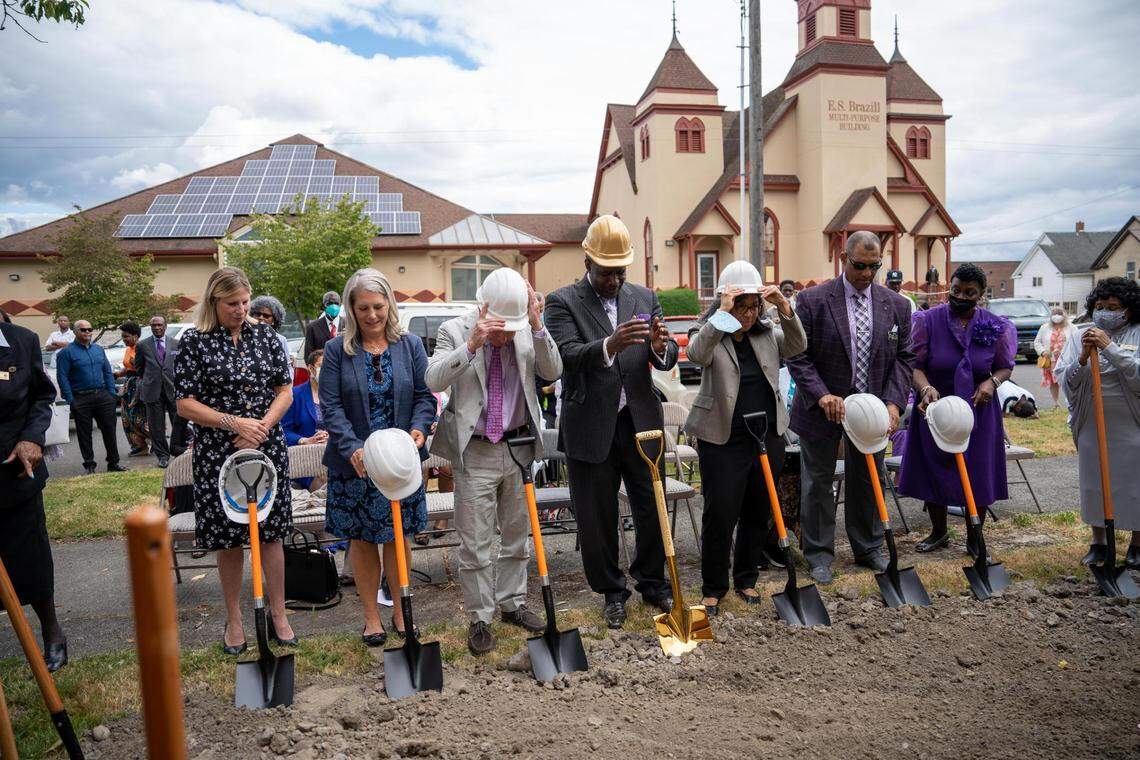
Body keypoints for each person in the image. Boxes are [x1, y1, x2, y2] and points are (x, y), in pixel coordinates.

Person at [544, 214, 679, 628]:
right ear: (588, 262)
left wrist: (660, 348)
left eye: (620, 272)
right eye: (606, 273)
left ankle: (653, 583)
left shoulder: (644, 295)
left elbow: (668, 353)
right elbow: (563, 355)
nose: (614, 281)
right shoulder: (562, 302)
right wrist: (608, 345)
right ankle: (612, 592)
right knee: (597, 515)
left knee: (652, 507)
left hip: (640, 421)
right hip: (591, 424)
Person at [426, 267, 563, 654]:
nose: (505, 336)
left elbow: (553, 371)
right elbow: (433, 379)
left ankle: (513, 603)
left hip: (518, 446)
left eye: (511, 328)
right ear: (483, 310)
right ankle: (480, 617)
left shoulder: (527, 328)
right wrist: (471, 346)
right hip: (476, 449)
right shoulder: (455, 330)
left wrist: (536, 326)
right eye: (500, 328)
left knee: (517, 534)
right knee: (476, 542)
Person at [174, 267, 297, 654]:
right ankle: (235, 620)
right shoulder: (194, 341)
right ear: (214, 301)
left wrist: (258, 427)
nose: (241, 309)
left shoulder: (267, 337)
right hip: (217, 452)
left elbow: (285, 390)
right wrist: (232, 423)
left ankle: (279, 614)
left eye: (245, 302)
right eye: (232, 303)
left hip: (266, 446)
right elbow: (184, 403)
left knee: (272, 534)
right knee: (228, 539)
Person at [785, 231, 915, 584]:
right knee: (818, 482)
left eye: (874, 266)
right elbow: (798, 354)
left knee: (869, 480)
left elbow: (904, 359)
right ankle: (819, 554)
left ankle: (868, 547)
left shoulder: (897, 306)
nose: (867, 274)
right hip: (822, 409)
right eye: (860, 265)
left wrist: (893, 403)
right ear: (843, 258)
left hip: (873, 411)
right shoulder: (812, 300)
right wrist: (822, 395)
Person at [320, 268, 436, 646]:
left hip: (400, 461)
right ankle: (371, 618)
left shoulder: (410, 345)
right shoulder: (339, 350)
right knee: (364, 541)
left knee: (399, 538)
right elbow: (332, 406)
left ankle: (402, 613)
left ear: (390, 305)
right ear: (352, 309)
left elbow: (424, 395)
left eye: (378, 307)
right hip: (355, 465)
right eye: (364, 308)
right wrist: (352, 447)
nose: (372, 315)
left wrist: (419, 428)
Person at [683, 261, 806, 614]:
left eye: (754, 306)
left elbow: (797, 345)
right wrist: (721, 315)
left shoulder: (766, 333)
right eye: (742, 306)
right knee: (720, 513)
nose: (749, 314)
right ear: (726, 301)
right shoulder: (708, 331)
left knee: (757, 510)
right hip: (723, 439)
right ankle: (713, 586)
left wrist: (785, 309)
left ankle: (747, 579)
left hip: (767, 436)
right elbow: (696, 354)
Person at [899, 264, 1017, 554]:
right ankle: (938, 531)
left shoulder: (995, 325)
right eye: (956, 290)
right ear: (948, 288)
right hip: (935, 407)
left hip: (979, 407)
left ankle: (974, 536)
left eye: (969, 292)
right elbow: (915, 365)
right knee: (935, 467)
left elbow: (1004, 367)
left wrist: (992, 382)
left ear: (980, 295)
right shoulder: (926, 321)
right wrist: (925, 389)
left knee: (978, 469)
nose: (961, 296)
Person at [1053, 277, 1140, 568]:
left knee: (1133, 482)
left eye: (1113, 307)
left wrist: (1109, 348)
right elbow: (1065, 379)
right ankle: (1099, 543)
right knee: (1094, 481)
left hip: (1130, 420)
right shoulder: (1080, 335)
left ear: (1128, 310)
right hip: (1092, 418)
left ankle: (1137, 545)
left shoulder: (1137, 333)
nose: (1104, 312)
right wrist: (1080, 359)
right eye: (1100, 306)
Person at [0, 319, 69, 671]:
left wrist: (32, 437)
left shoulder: (22, 340)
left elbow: (42, 395)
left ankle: (52, 631)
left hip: (15, 475)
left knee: (31, 557)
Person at [56, 319, 124, 475]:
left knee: (109, 430)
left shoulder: (98, 350)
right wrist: (70, 399)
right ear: (75, 332)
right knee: (84, 433)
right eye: (83, 330)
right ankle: (89, 465)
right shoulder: (66, 353)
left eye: (89, 329)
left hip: (103, 396)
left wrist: (112, 393)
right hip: (80, 398)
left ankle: (113, 463)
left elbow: (107, 372)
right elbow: (62, 377)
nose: (87, 332)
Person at [136, 315, 187, 468]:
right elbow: (139, 368)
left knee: (178, 423)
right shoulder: (142, 345)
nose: (157, 328)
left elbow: (181, 366)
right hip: (152, 390)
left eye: (159, 325)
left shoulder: (176, 343)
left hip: (173, 389)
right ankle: (162, 456)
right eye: (153, 326)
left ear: (165, 326)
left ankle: (178, 452)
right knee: (156, 426)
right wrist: (147, 381)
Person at [115, 321, 150, 456]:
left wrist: (135, 364)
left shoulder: (142, 347)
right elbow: (127, 367)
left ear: (136, 336)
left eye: (126, 336)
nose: (124, 339)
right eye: (123, 336)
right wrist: (118, 374)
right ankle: (139, 446)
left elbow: (145, 368)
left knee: (139, 416)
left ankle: (157, 440)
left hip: (139, 386)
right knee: (126, 417)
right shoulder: (128, 349)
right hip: (129, 386)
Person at [1034, 306, 1077, 406]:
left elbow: (1076, 341)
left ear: (1064, 315)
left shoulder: (1071, 327)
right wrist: (1043, 351)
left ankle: (1070, 401)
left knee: (1068, 380)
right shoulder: (1044, 327)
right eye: (1054, 314)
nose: (1057, 316)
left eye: (1059, 314)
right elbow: (1037, 342)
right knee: (1053, 382)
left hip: (1067, 360)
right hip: (1051, 360)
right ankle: (1056, 402)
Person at [250, 295, 294, 369]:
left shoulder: (281, 340)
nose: (261, 317)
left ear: (274, 320)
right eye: (257, 314)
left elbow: (288, 368)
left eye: (266, 316)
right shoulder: (244, 336)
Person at [304, 291, 342, 356]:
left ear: (340, 305)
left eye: (336, 303)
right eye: (329, 303)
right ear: (324, 306)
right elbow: (308, 355)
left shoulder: (349, 324)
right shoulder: (313, 327)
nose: (333, 306)